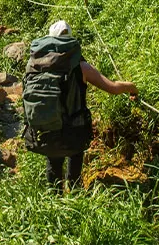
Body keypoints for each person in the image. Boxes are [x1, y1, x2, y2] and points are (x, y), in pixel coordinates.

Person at [22, 20, 138, 190]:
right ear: (70, 41)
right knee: (74, 152)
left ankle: (54, 200)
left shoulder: (33, 65)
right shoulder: (80, 66)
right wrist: (132, 88)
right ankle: (75, 192)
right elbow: (112, 88)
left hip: (42, 136)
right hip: (73, 137)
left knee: (53, 161)